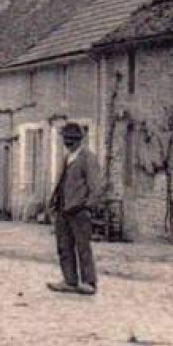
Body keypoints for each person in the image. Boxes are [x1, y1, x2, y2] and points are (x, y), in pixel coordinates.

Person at [47, 121, 102, 295]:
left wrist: (87, 205)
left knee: (82, 247)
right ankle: (69, 280)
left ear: (79, 140)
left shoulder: (88, 158)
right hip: (63, 209)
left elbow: (96, 187)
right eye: (66, 139)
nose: (68, 143)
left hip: (79, 210)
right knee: (64, 246)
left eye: (71, 140)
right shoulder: (67, 158)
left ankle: (89, 282)